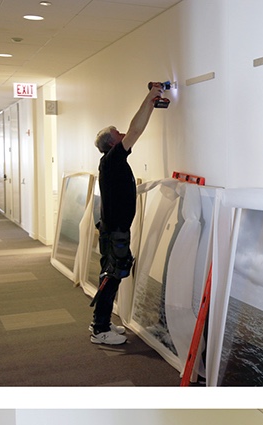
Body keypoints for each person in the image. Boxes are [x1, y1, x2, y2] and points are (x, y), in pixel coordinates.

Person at [89, 83, 164, 345]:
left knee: (112, 274)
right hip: (114, 231)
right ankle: (100, 330)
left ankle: (102, 322)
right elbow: (136, 129)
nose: (123, 135)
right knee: (113, 275)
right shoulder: (112, 160)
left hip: (114, 229)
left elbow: (131, 131)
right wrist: (150, 98)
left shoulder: (112, 164)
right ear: (112, 142)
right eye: (118, 133)